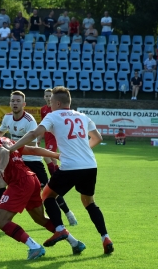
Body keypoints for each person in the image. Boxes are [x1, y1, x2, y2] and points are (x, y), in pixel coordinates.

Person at [9, 86, 114, 255]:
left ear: (57, 103)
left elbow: (34, 134)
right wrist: (82, 151)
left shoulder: (53, 116)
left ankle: (60, 229)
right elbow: (98, 138)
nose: (49, 105)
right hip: (90, 165)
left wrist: (11, 148)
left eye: (50, 102)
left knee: (47, 195)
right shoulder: (82, 116)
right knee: (90, 203)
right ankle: (105, 238)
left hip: (70, 166)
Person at [0, 121, 85, 260]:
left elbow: (4, 153)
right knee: (40, 219)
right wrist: (57, 155)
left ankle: (34, 247)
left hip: (20, 183)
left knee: (0, 221)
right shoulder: (5, 139)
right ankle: (75, 242)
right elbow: (34, 150)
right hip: (31, 179)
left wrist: (1, 169)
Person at [0, 91, 78, 227]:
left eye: (18, 101)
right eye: (13, 101)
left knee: (47, 189)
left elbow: (33, 143)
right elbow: (0, 132)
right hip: (16, 159)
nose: (15, 103)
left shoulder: (29, 120)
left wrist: (10, 143)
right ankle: (1, 218)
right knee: (0, 182)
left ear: (23, 104)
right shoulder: (7, 118)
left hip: (32, 160)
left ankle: (68, 213)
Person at [39, 89, 58, 175]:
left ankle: (54, 177)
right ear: (44, 97)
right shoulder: (43, 109)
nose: (48, 97)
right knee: (53, 159)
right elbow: (43, 125)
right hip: (47, 136)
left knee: (46, 155)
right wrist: (39, 138)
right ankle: (58, 176)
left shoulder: (56, 109)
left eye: (50, 96)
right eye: (46, 96)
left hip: (54, 137)